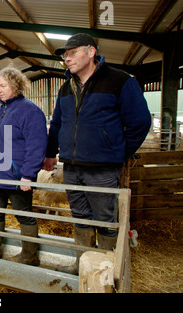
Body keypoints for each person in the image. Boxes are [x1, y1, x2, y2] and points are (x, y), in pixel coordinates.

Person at [43, 33, 151, 262]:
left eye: (72, 53)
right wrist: (50, 153)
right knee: (80, 217)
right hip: (71, 166)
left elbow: (140, 122)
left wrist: (118, 152)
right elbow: (57, 124)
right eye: (65, 55)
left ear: (91, 52)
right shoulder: (65, 88)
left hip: (102, 170)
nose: (67, 59)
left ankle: (107, 268)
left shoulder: (119, 81)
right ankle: (84, 265)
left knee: (104, 218)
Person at [0, 66, 48, 265]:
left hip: (17, 176)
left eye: (3, 85)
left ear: (15, 85)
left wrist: (28, 175)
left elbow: (36, 145)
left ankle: (29, 255)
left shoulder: (30, 111)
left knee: (23, 215)